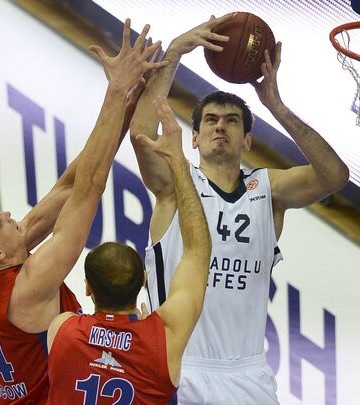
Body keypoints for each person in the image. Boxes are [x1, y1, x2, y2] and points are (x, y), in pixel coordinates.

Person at [0, 19, 169, 404]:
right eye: (0, 221)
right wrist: (115, 90)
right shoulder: (28, 287)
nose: (11, 215)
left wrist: (124, 109)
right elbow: (89, 188)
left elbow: (68, 184)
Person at [129, 17, 350, 405]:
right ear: (193, 137)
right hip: (181, 365)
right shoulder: (175, 184)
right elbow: (141, 135)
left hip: (249, 373)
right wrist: (176, 51)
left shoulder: (269, 190)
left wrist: (275, 106)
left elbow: (334, 176)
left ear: (247, 139)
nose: (220, 127)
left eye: (232, 122)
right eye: (210, 120)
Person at [46, 96, 211, 404]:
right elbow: (198, 252)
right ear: (144, 281)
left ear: (88, 288)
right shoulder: (164, 336)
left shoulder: (63, 329)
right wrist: (178, 162)